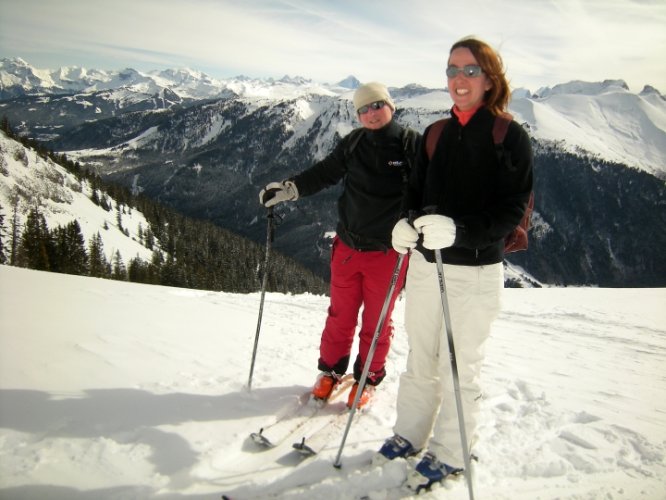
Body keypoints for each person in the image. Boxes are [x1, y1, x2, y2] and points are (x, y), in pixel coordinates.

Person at [375, 37, 534, 492]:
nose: (459, 80)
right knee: (420, 356)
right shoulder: (435, 135)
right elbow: (415, 195)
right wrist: (406, 225)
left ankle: (451, 452)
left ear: (489, 79)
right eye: (451, 70)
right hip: (427, 267)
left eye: (469, 71)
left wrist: (462, 232)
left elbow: (511, 210)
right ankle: (410, 432)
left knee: (460, 367)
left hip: (476, 272)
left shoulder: (509, 136)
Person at [259, 82, 420, 408]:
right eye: (363, 109)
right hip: (347, 248)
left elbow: (429, 187)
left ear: (390, 105)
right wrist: (291, 189)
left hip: (389, 253)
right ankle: (330, 372)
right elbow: (326, 173)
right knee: (340, 315)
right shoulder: (354, 143)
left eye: (376, 105)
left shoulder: (409, 145)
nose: (371, 114)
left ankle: (368, 379)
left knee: (377, 322)